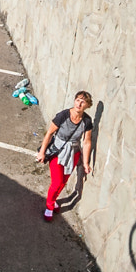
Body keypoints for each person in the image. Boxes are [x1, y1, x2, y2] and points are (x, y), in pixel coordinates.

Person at [37, 90, 95, 221]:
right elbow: (49, 133)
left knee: (63, 181)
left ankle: (54, 200)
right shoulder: (63, 115)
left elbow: (87, 142)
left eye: (83, 102)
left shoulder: (87, 121)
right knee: (57, 182)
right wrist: (42, 152)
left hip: (73, 153)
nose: (79, 104)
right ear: (74, 101)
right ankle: (49, 206)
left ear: (87, 105)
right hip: (58, 151)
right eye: (77, 100)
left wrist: (85, 163)